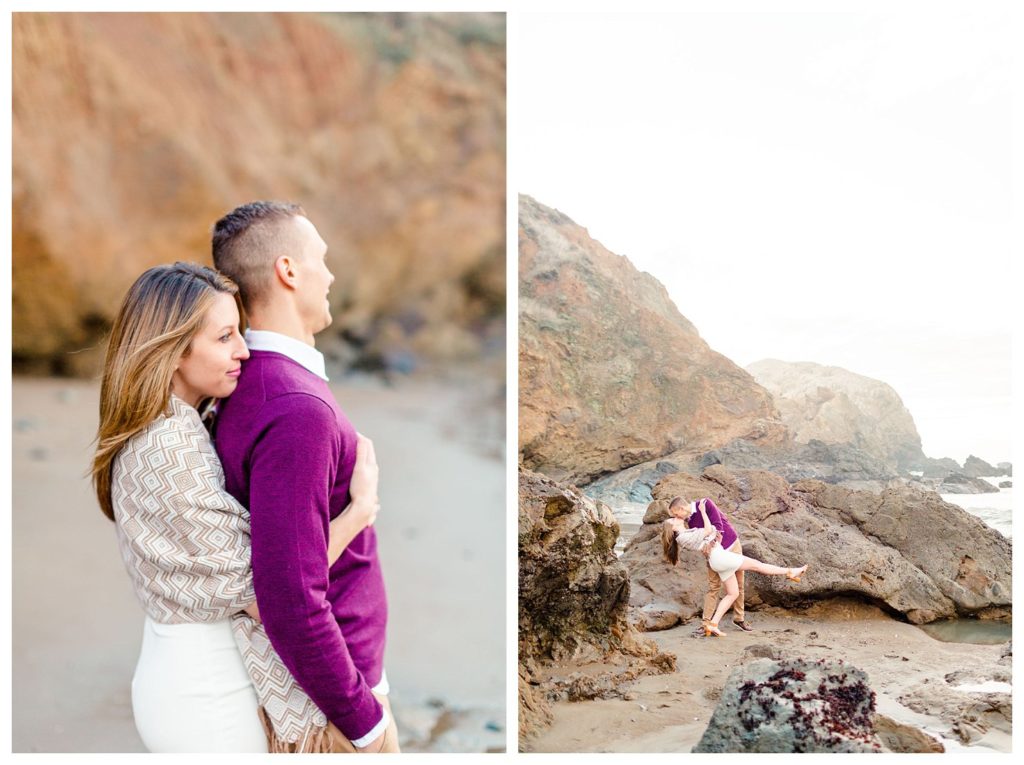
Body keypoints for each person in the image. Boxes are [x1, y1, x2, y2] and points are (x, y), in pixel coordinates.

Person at [92, 262, 381, 751]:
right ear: (173, 348)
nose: (244, 352)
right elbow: (270, 590)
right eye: (225, 337)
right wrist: (357, 514)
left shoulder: (181, 424)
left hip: (197, 671)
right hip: (205, 692)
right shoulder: (168, 449)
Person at [211, 201, 399, 753]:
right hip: (339, 699)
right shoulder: (295, 407)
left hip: (337, 681)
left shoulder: (265, 385)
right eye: (321, 258)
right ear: (288, 270)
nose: (331, 274)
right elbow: (289, 594)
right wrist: (364, 722)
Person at [661, 496, 807, 637]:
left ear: (680, 508)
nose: (677, 517)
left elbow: (718, 526)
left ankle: (719, 623)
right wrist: (709, 543)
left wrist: (709, 541)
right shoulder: (687, 527)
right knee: (756, 567)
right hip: (719, 556)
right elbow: (706, 534)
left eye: (675, 514)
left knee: (735, 591)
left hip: (728, 547)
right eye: (674, 517)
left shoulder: (704, 505)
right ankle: (790, 572)